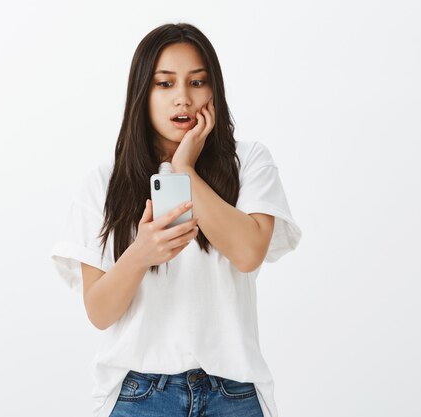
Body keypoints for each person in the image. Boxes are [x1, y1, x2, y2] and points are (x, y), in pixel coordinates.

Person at [50, 22, 302, 417]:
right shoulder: (105, 182)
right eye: (164, 84)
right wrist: (140, 254)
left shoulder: (248, 162)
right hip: (140, 396)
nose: (183, 98)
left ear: (214, 89)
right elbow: (99, 312)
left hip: (233, 394)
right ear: (142, 94)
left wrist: (184, 167)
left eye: (197, 82)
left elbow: (249, 252)